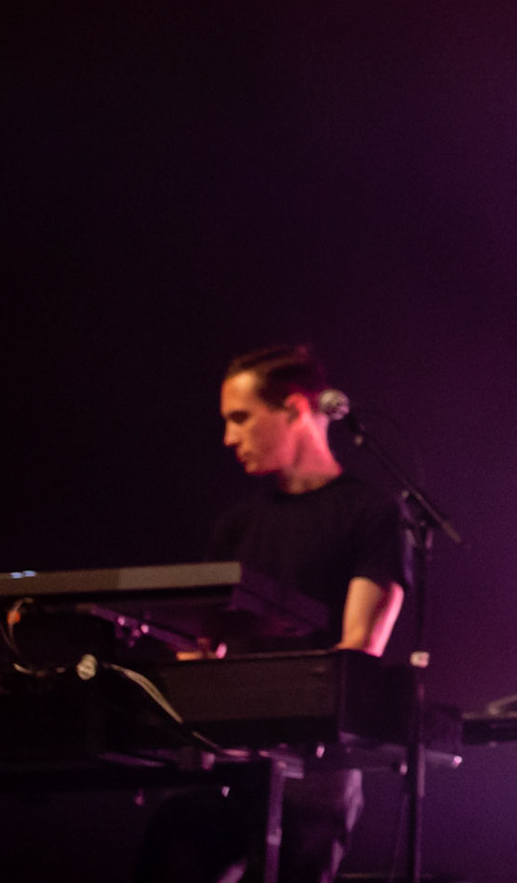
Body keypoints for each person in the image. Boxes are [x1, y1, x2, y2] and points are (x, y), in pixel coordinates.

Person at [136, 344, 409, 883]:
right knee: (176, 838)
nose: (228, 437)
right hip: (229, 755)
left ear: (295, 409)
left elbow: (358, 648)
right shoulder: (235, 525)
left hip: (317, 761)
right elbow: (203, 643)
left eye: (240, 418)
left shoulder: (372, 512)